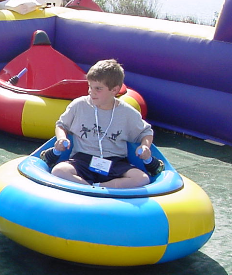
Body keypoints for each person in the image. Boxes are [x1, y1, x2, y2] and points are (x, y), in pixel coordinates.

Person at [41, 59, 164, 189]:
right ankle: (90, 188)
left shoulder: (128, 112)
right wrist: (62, 138)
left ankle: (99, 187)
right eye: (90, 86)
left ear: (114, 90)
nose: (91, 92)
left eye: (98, 89)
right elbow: (61, 125)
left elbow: (146, 132)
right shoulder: (79, 105)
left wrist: (145, 146)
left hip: (114, 162)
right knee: (59, 171)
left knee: (141, 179)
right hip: (82, 159)